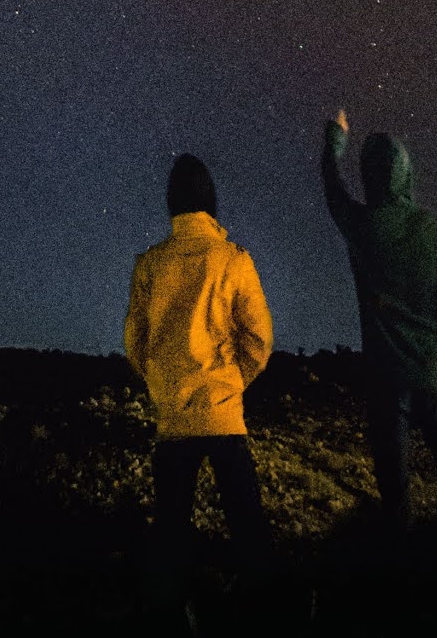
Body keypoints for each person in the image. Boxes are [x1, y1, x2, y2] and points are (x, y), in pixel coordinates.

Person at [320, 110, 437, 541]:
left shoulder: (360, 226)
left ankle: (405, 591)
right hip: (433, 376)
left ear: (370, 176)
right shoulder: (436, 229)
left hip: (385, 383)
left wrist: (335, 140)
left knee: (396, 502)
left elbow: (333, 190)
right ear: (406, 173)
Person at [124, 153, 276, 607]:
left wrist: (161, 383)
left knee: (170, 526)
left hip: (173, 417)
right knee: (248, 523)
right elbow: (259, 337)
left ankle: (169, 609)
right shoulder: (233, 260)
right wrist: (234, 382)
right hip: (224, 414)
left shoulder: (150, 265)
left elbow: (136, 340)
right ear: (212, 204)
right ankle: (268, 609)